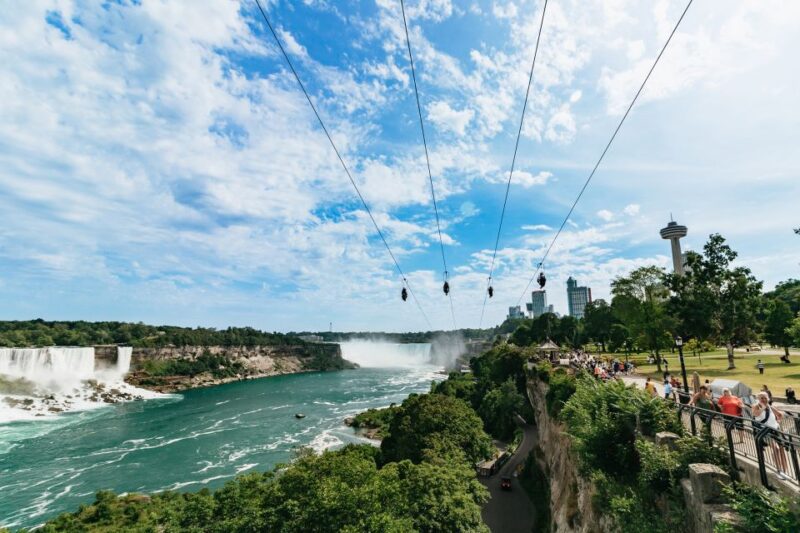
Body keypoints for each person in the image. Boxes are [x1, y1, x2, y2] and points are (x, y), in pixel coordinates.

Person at [752, 391, 789, 480]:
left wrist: (778, 421)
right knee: (775, 448)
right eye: (762, 398)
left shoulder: (770, 407)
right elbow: (755, 414)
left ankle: (784, 470)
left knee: (781, 448)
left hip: (775, 430)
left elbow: (779, 415)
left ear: (768, 398)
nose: (764, 399)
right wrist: (763, 408)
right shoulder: (755, 406)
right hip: (765, 431)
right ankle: (779, 470)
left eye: (765, 398)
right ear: (758, 399)